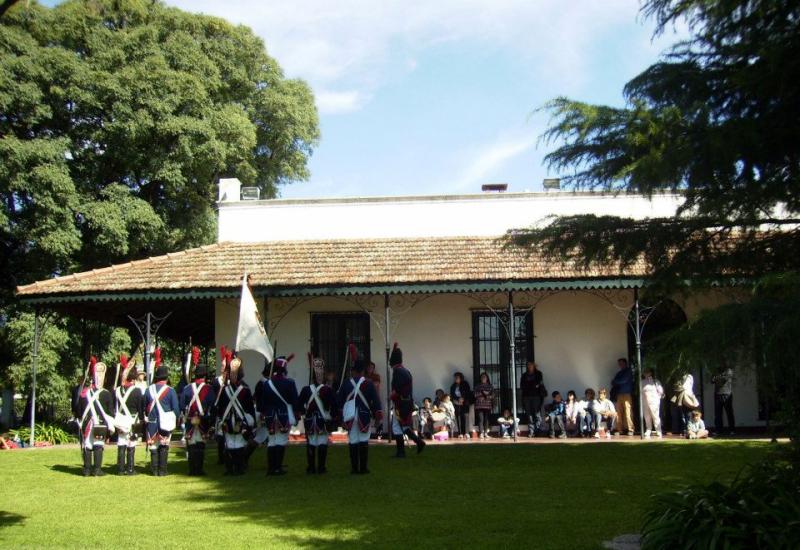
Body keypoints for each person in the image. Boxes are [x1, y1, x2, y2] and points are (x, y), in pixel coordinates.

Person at [338, 357, 383, 474]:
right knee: (363, 440)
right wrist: (377, 418)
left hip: (350, 416)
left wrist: (341, 418)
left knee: (353, 440)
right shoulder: (369, 384)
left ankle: (354, 469)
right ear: (363, 371)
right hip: (364, 415)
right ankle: (363, 468)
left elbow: (340, 402)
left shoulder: (347, 383)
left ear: (353, 371)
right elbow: (376, 402)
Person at [257, 355, 298, 476]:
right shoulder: (289, 383)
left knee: (271, 441)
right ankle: (277, 467)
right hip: (283, 415)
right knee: (281, 440)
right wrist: (297, 413)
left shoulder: (267, 383)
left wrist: (263, 413)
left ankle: (271, 468)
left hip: (270, 416)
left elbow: (262, 402)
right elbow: (294, 400)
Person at [217, 353, 256, 476]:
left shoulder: (224, 389)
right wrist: (252, 422)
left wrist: (221, 421)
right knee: (239, 443)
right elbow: (249, 408)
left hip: (228, 420)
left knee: (229, 443)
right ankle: (239, 468)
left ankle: (229, 469)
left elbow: (220, 407)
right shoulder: (245, 390)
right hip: (240, 421)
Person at [297, 355, 337, 474]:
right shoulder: (328, 390)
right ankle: (321, 467)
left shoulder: (306, 389)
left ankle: (311, 468)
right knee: (322, 441)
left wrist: (305, 413)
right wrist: (333, 417)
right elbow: (334, 405)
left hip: (309, 420)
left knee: (311, 442)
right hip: (322, 419)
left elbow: (299, 405)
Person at [76, 357, 114, 476]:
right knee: (98, 445)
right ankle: (97, 470)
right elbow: (111, 413)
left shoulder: (84, 393)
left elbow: (79, 410)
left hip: (87, 423)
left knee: (88, 445)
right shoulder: (106, 394)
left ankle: (87, 470)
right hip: (100, 422)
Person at [144, 350, 180, 476]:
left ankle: (154, 470)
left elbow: (145, 407)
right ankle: (163, 470)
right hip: (166, 422)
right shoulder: (170, 391)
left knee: (153, 446)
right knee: (164, 445)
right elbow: (176, 409)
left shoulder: (148, 390)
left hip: (152, 421)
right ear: (166, 377)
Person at [180, 348, 215, 476]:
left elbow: (182, 405)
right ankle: (199, 469)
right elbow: (212, 404)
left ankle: (192, 470)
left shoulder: (187, 388)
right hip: (203, 419)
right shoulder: (209, 389)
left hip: (190, 420)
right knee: (200, 445)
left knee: (191, 445)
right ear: (205, 375)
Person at [389, 343, 426, 457]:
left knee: (396, 426)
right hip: (405, 402)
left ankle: (401, 452)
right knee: (403, 426)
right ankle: (418, 442)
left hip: (402, 403)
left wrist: (391, 396)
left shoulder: (398, 371)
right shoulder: (404, 370)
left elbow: (398, 389)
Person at [113, 355, 144, 475]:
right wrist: (141, 419)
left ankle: (120, 469)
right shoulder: (137, 391)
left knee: (121, 443)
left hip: (121, 420)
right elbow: (140, 408)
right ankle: (130, 469)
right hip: (132, 419)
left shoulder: (118, 390)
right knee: (131, 444)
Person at [520, 361, 545, 437]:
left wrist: (531, 385)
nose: (530, 366)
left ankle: (537, 430)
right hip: (526, 396)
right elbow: (522, 385)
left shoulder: (538, 374)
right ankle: (531, 431)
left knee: (537, 414)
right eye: (528, 365)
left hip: (536, 396)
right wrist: (532, 386)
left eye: (531, 365)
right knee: (529, 414)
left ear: (534, 366)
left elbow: (538, 384)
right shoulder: (524, 375)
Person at [611, 358, 635, 436]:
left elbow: (623, 380)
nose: (620, 365)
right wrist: (615, 381)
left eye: (621, 363)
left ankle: (630, 429)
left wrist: (616, 381)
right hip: (619, 394)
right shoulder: (619, 373)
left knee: (628, 412)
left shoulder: (628, 371)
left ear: (625, 363)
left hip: (627, 394)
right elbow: (613, 382)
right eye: (619, 363)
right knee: (619, 412)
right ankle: (620, 429)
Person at [711, 365, 735, 435]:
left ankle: (732, 430)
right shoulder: (715, 370)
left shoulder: (729, 370)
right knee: (718, 414)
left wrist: (717, 378)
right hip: (717, 394)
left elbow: (724, 379)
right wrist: (718, 378)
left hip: (726, 394)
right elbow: (712, 380)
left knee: (729, 413)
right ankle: (718, 430)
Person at [641, 369, 664, 439]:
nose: (645, 374)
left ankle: (658, 430)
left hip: (654, 401)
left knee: (655, 416)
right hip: (645, 401)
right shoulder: (642, 382)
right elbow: (640, 391)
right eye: (645, 372)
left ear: (651, 373)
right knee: (647, 416)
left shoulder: (656, 381)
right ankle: (648, 429)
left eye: (647, 372)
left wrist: (657, 399)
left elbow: (661, 391)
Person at [450, 371, 472, 439]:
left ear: (461, 378)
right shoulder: (453, 386)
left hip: (465, 403)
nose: (456, 379)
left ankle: (466, 433)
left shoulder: (465, 384)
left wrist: (463, 399)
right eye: (455, 377)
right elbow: (452, 395)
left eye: (457, 377)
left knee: (465, 417)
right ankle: (460, 433)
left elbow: (468, 392)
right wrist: (457, 399)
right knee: (459, 417)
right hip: (457, 403)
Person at [473, 372, 494, 439]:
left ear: (487, 378)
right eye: (482, 377)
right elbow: (475, 395)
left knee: (486, 419)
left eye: (485, 377)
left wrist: (487, 396)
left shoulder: (490, 386)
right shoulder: (477, 386)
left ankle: (486, 433)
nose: (483, 378)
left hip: (487, 405)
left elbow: (493, 395)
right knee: (480, 419)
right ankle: (481, 433)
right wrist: (482, 393)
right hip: (479, 405)